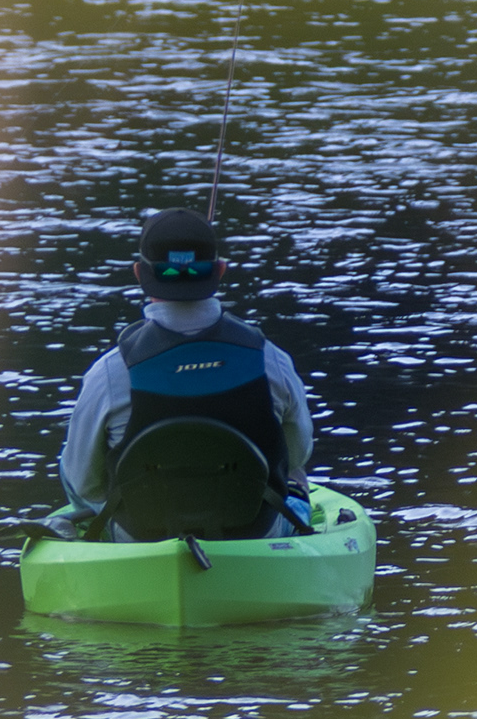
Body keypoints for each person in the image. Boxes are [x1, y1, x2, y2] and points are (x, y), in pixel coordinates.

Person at [58, 208, 318, 540]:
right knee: (294, 471)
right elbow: (297, 453)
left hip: (139, 537)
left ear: (140, 273)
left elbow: (84, 481)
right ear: (220, 271)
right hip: (254, 532)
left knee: (70, 464)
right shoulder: (271, 361)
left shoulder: (108, 373)